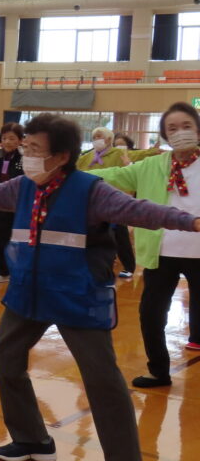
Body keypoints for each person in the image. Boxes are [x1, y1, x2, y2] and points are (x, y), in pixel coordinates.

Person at [0, 112, 200, 461]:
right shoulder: (24, 186)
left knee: (102, 379)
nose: (27, 155)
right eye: (25, 147)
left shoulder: (91, 190)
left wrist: (192, 221)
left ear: (61, 157)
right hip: (28, 291)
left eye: (35, 149)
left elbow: (142, 211)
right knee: (5, 357)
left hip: (78, 295)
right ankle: (32, 440)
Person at [89, 102, 200, 387]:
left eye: (186, 126)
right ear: (165, 135)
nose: (180, 132)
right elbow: (114, 176)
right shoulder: (153, 165)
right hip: (161, 253)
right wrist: (69, 175)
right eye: (172, 128)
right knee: (151, 314)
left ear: (198, 130)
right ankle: (158, 371)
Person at [77, 127, 162, 279]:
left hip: (113, 200)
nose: (96, 140)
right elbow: (73, 166)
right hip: (91, 202)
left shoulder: (117, 153)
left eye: (99, 136)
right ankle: (100, 265)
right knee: (97, 235)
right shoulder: (87, 156)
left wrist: (154, 151)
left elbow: (137, 154)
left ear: (109, 139)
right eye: (94, 137)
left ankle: (129, 267)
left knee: (121, 235)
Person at [0, 122, 25, 283]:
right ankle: (2, 271)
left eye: (12, 138)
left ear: (20, 140)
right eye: (5, 138)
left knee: (18, 240)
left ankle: (19, 271)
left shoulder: (25, 157)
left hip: (19, 205)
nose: (7, 142)